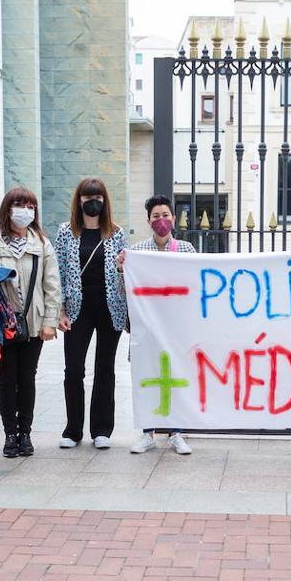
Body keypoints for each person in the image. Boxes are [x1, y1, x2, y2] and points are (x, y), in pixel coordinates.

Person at [0, 187, 62, 458]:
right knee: (6, 379)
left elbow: (52, 285)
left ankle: (25, 433)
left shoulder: (41, 243)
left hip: (33, 322)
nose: (25, 210)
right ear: (7, 207)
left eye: (30, 206)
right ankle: (9, 434)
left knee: (27, 378)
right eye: (19, 204)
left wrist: (49, 321)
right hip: (1, 323)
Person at [55, 178, 129, 449]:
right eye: (87, 197)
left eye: (97, 197)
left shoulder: (116, 232)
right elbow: (59, 273)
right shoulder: (66, 232)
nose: (93, 202)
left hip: (110, 308)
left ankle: (101, 430)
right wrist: (60, 310)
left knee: (105, 369)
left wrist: (122, 267)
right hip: (77, 310)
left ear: (105, 200)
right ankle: (73, 430)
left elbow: (124, 274)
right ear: (79, 201)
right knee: (73, 369)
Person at [123, 195, 197, 456]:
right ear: (148, 221)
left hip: (177, 330)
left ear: (174, 219)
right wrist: (123, 268)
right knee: (147, 377)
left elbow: (195, 284)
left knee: (177, 377)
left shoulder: (186, 249)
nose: (161, 220)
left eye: (165, 215)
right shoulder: (138, 250)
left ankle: (177, 433)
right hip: (148, 330)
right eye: (156, 216)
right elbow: (127, 287)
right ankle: (148, 433)